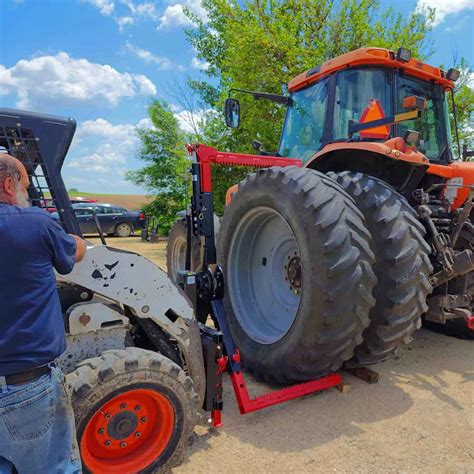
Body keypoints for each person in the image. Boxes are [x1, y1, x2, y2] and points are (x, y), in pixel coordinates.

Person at [0, 153, 87, 473]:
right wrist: (77, 241)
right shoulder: (35, 223)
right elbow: (71, 254)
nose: (26, 192)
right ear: (9, 183)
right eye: (24, 183)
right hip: (25, 388)